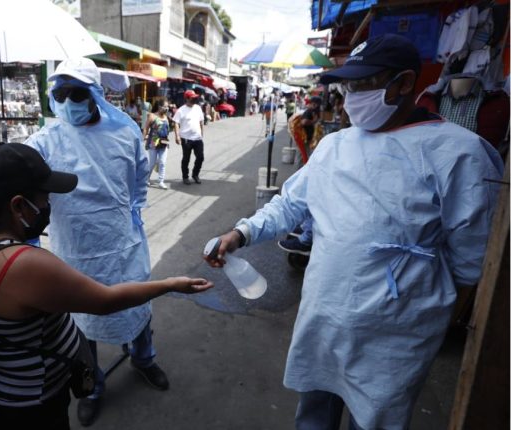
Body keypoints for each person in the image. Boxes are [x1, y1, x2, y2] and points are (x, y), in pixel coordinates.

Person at [203, 34, 503, 430]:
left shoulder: (460, 153)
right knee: (314, 412)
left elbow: (471, 260)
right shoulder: (334, 147)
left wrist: (414, 300)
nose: (350, 95)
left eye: (364, 84)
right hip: (325, 315)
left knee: (374, 419)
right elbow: (290, 203)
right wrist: (240, 234)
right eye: (348, 85)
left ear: (405, 83)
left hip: (394, 332)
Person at [0, 143, 212, 430]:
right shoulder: (22, 265)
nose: (48, 206)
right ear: (18, 205)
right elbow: (105, 301)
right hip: (27, 407)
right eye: (45, 198)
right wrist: (171, 284)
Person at [0, 57, 167, 427]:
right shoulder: (45, 140)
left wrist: (132, 215)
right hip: (74, 249)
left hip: (124, 242)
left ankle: (144, 359)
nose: (70, 100)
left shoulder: (126, 132)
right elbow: (16, 171)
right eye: (61, 93)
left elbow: (139, 179)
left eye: (78, 92)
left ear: (96, 94)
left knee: (138, 308)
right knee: (81, 323)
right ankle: (93, 389)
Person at [172, 89, 205, 185]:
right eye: (192, 98)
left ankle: (195, 174)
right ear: (187, 99)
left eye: (195, 98)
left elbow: (201, 121)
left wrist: (202, 133)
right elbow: (176, 123)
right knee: (186, 158)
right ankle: (185, 177)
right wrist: (177, 136)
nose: (194, 100)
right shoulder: (181, 110)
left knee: (200, 157)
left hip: (197, 138)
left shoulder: (198, 108)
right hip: (186, 139)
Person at [143, 100, 171, 189]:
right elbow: (146, 128)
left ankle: (161, 181)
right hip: (154, 142)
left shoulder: (166, 117)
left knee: (163, 162)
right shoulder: (152, 116)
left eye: (168, 107)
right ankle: (146, 179)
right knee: (152, 163)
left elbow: (167, 131)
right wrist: (144, 138)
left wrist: (167, 141)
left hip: (164, 142)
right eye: (165, 106)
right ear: (159, 106)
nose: (167, 108)